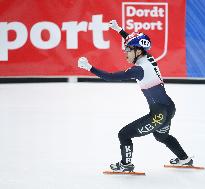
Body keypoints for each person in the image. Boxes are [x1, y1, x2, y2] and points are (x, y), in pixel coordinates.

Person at [77, 20, 193, 172]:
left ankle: (126, 165)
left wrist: (89, 67)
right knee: (161, 136)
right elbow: (134, 42)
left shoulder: (139, 69)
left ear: (138, 51)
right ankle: (185, 159)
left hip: (158, 115)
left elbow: (110, 77)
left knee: (124, 134)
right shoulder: (148, 58)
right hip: (169, 108)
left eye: (128, 50)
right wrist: (119, 30)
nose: (125, 52)